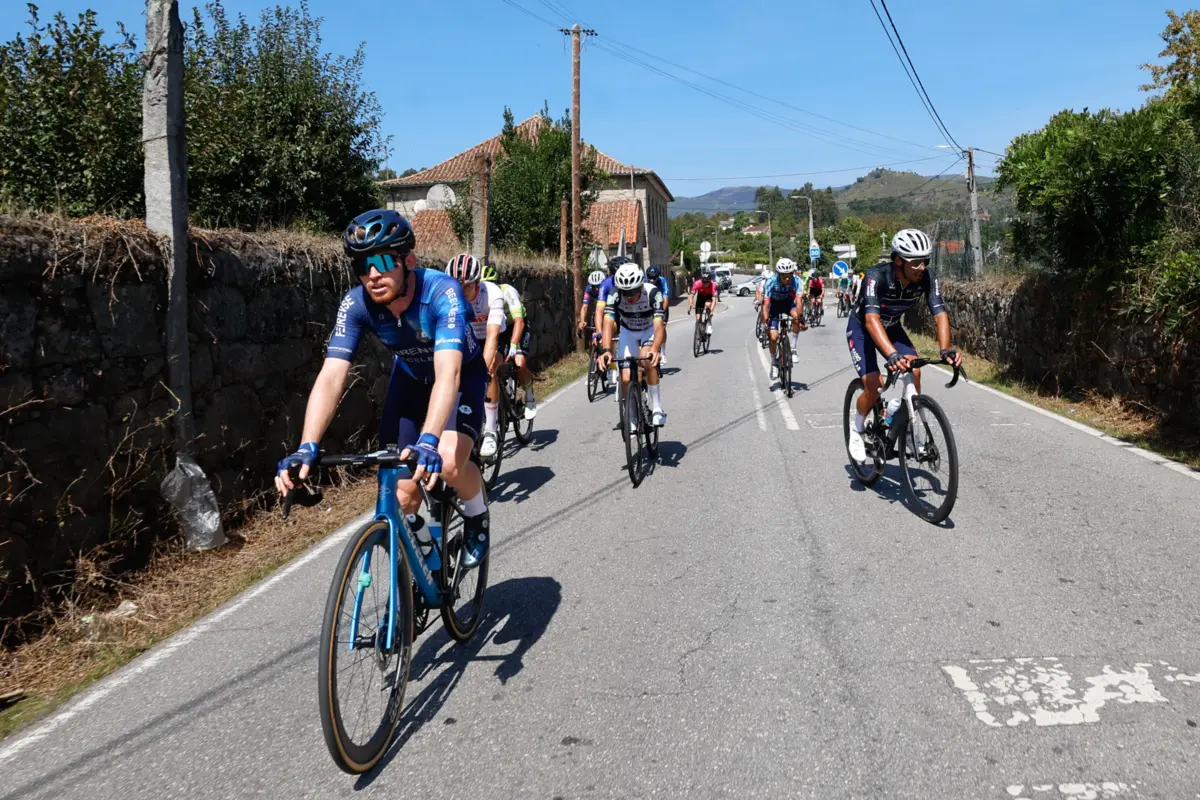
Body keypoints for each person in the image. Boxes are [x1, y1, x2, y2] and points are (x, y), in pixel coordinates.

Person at [275, 210, 490, 568]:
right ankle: (423, 558)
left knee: (450, 461)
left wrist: (429, 440)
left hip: (460, 376)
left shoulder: (443, 292)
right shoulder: (356, 303)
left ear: (408, 260)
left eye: (381, 261)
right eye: (361, 264)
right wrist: (307, 445)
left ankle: (476, 514)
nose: (372, 274)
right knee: (401, 493)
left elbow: (449, 375)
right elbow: (331, 376)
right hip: (409, 381)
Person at [845, 228, 963, 463]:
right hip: (863, 328)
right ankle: (857, 428)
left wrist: (945, 350)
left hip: (891, 327)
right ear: (898, 260)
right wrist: (891, 354)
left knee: (915, 370)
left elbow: (939, 313)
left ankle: (907, 426)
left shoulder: (927, 277)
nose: (922, 267)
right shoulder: (876, 277)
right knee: (874, 384)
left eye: (925, 261)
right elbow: (871, 320)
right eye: (916, 262)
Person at [445, 254, 507, 460]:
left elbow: (492, 335)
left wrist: (484, 368)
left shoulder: (493, 294)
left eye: (467, 287)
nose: (461, 292)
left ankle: (490, 430)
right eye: (457, 286)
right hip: (470, 337)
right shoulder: (449, 296)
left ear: (477, 283)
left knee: (488, 371)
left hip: (494, 335)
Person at [597, 263, 667, 427]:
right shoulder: (614, 295)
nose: (629, 296)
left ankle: (657, 407)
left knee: (647, 361)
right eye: (625, 292)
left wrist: (656, 349)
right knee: (626, 375)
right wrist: (606, 350)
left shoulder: (653, 293)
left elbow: (659, 326)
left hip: (648, 330)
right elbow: (608, 323)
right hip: (628, 332)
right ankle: (632, 414)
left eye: (633, 291)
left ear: (640, 285)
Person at [483, 264, 536, 422]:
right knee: (491, 364)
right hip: (500, 328)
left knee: (519, 362)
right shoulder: (480, 297)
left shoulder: (508, 292)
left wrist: (513, 346)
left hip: (517, 325)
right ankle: (503, 389)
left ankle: (529, 395)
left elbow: (519, 321)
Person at [760, 257, 807, 381]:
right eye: (784, 276)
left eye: (789, 275)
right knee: (774, 337)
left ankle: (793, 348)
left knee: (797, 317)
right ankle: (774, 362)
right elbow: (765, 305)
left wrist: (801, 319)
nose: (787, 279)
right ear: (778, 274)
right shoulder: (770, 281)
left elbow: (798, 301)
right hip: (774, 306)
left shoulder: (797, 281)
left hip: (787, 303)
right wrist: (765, 321)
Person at [646, 265, 671, 366]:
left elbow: (665, 300)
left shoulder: (662, 281)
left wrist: (660, 312)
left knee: (662, 326)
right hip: (649, 304)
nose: (652, 280)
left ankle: (663, 352)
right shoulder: (644, 280)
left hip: (660, 304)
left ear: (658, 277)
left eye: (654, 278)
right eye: (650, 278)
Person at [689, 267, 718, 337]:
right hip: (700, 297)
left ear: (710, 281)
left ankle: (709, 324)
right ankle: (698, 335)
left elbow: (714, 300)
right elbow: (691, 295)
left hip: (709, 297)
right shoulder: (697, 283)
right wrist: (690, 304)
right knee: (698, 318)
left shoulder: (713, 285)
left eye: (707, 283)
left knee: (708, 305)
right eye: (703, 283)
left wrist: (711, 311)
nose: (705, 284)